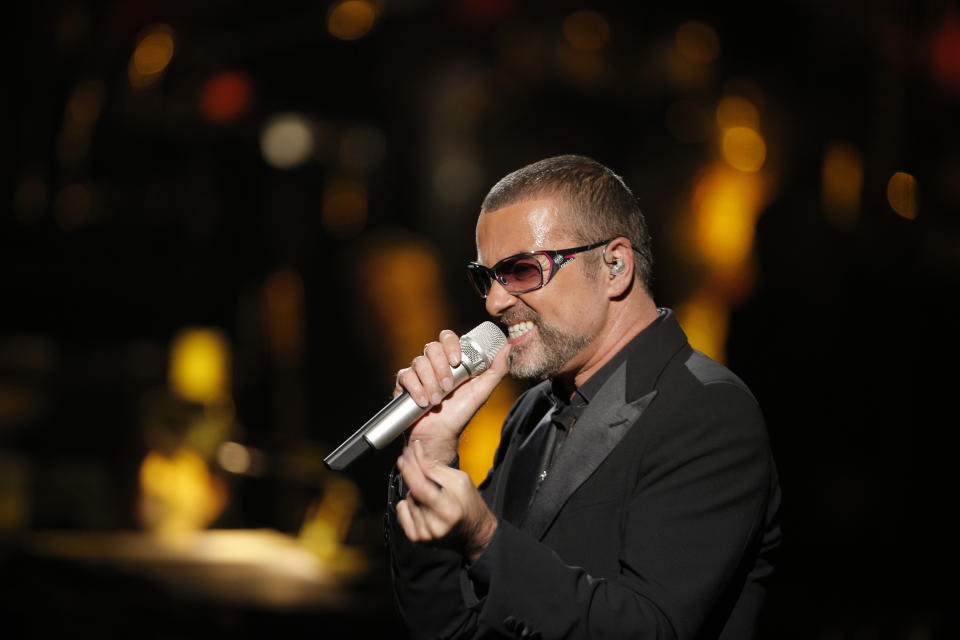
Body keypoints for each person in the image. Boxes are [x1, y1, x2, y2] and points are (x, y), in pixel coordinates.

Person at [384, 155, 781, 639]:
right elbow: (453, 628)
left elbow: (649, 629)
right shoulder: (533, 413)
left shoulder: (707, 410)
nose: (493, 302)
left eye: (523, 269)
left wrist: (487, 539)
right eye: (486, 277)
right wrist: (430, 451)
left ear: (614, 265)